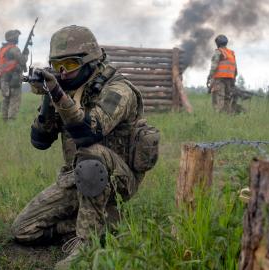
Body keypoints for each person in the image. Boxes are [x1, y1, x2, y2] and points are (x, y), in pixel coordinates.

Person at [11, 25, 159, 269]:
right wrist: (49, 97)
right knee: (24, 230)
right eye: (57, 66)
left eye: (69, 65)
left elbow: (90, 132)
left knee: (91, 155)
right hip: (79, 177)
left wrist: (58, 94)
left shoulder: (118, 90)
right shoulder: (65, 88)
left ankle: (87, 243)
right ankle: (105, 223)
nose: (63, 73)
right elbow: (40, 141)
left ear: (90, 61)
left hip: (117, 179)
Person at [0, 29, 29, 121]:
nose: (18, 38)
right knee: (15, 101)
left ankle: (4, 121)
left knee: (6, 100)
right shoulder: (14, 48)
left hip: (3, 79)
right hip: (13, 79)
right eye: (17, 37)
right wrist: (26, 54)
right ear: (13, 38)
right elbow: (22, 60)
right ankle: (11, 122)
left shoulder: (2, 49)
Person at [206, 34, 241, 114]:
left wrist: (209, 76)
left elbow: (214, 66)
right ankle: (227, 116)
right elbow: (235, 69)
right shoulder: (231, 53)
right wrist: (233, 80)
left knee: (218, 98)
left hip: (219, 79)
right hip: (230, 79)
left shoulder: (219, 52)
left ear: (217, 43)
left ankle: (218, 117)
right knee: (227, 98)